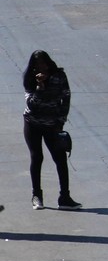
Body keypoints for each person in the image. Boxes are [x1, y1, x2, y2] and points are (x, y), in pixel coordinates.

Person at [23, 50, 77, 210]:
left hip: (53, 124)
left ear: (48, 63)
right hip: (33, 123)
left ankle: (65, 197)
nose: (41, 67)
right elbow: (31, 104)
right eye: (37, 65)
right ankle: (37, 196)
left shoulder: (59, 76)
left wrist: (61, 121)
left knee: (60, 158)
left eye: (43, 63)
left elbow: (66, 97)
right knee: (37, 157)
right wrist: (40, 86)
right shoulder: (30, 79)